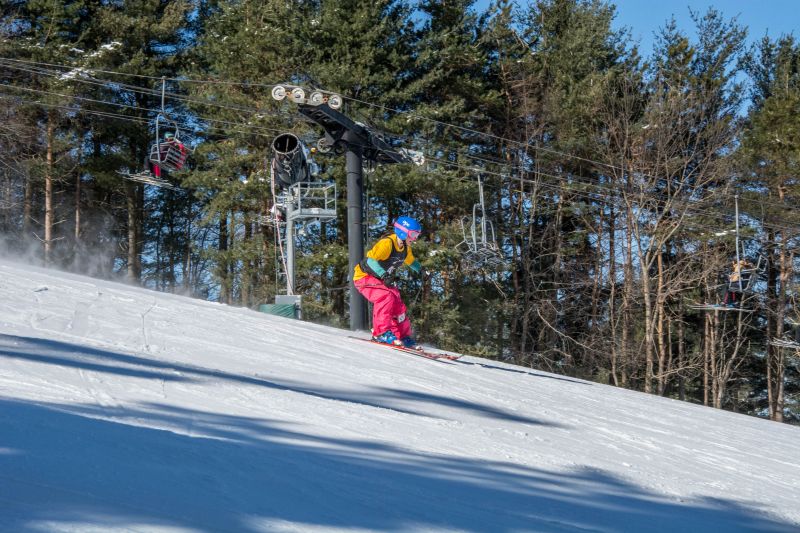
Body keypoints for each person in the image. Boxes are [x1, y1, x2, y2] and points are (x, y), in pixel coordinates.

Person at [352, 216, 427, 348]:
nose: (415, 239)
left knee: (397, 303)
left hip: (382, 280)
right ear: (403, 232)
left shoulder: (405, 247)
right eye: (413, 235)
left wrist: (421, 270)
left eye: (417, 235)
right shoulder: (387, 243)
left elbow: (410, 261)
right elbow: (370, 261)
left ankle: (402, 336)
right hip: (364, 277)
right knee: (386, 296)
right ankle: (381, 333)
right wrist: (384, 275)